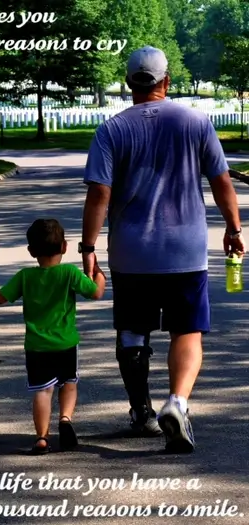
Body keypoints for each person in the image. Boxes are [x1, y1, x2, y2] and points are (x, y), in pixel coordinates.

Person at [80, 45, 245, 453]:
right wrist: (234, 227)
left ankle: (141, 411)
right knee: (186, 330)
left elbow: (99, 193)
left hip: (131, 251)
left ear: (128, 83)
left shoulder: (112, 130)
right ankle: (178, 402)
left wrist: (87, 247)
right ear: (165, 81)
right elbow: (222, 182)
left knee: (133, 331)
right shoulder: (195, 122)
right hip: (185, 248)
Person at [0, 219, 106, 454]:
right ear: (64, 247)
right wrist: (99, 274)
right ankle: (66, 419)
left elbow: (0, 297)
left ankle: (41, 437)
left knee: (43, 390)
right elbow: (96, 292)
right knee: (69, 384)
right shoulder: (69, 273)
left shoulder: (25, 276)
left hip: (37, 346)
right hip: (66, 343)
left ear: (31, 251)